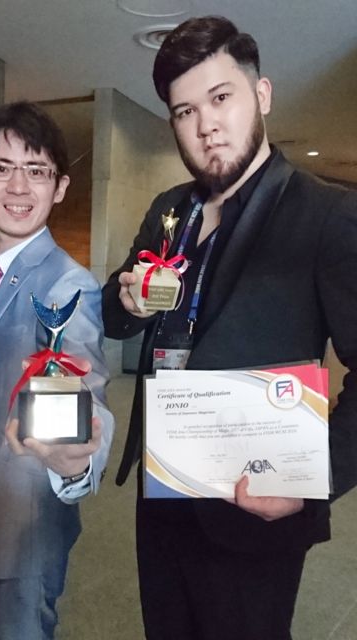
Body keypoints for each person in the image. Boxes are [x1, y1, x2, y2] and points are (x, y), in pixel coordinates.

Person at [101, 15, 357, 640]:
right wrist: (130, 302)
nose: (206, 125)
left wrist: (314, 482)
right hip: (164, 488)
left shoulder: (327, 213)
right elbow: (114, 312)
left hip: (255, 499)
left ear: (261, 95)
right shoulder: (171, 209)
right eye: (185, 111)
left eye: (221, 98)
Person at [0, 101, 114, 640]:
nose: (18, 186)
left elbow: (88, 389)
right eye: (1, 167)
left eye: (36, 171)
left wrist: (76, 462)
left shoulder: (70, 284)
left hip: (24, 521)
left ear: (59, 188)